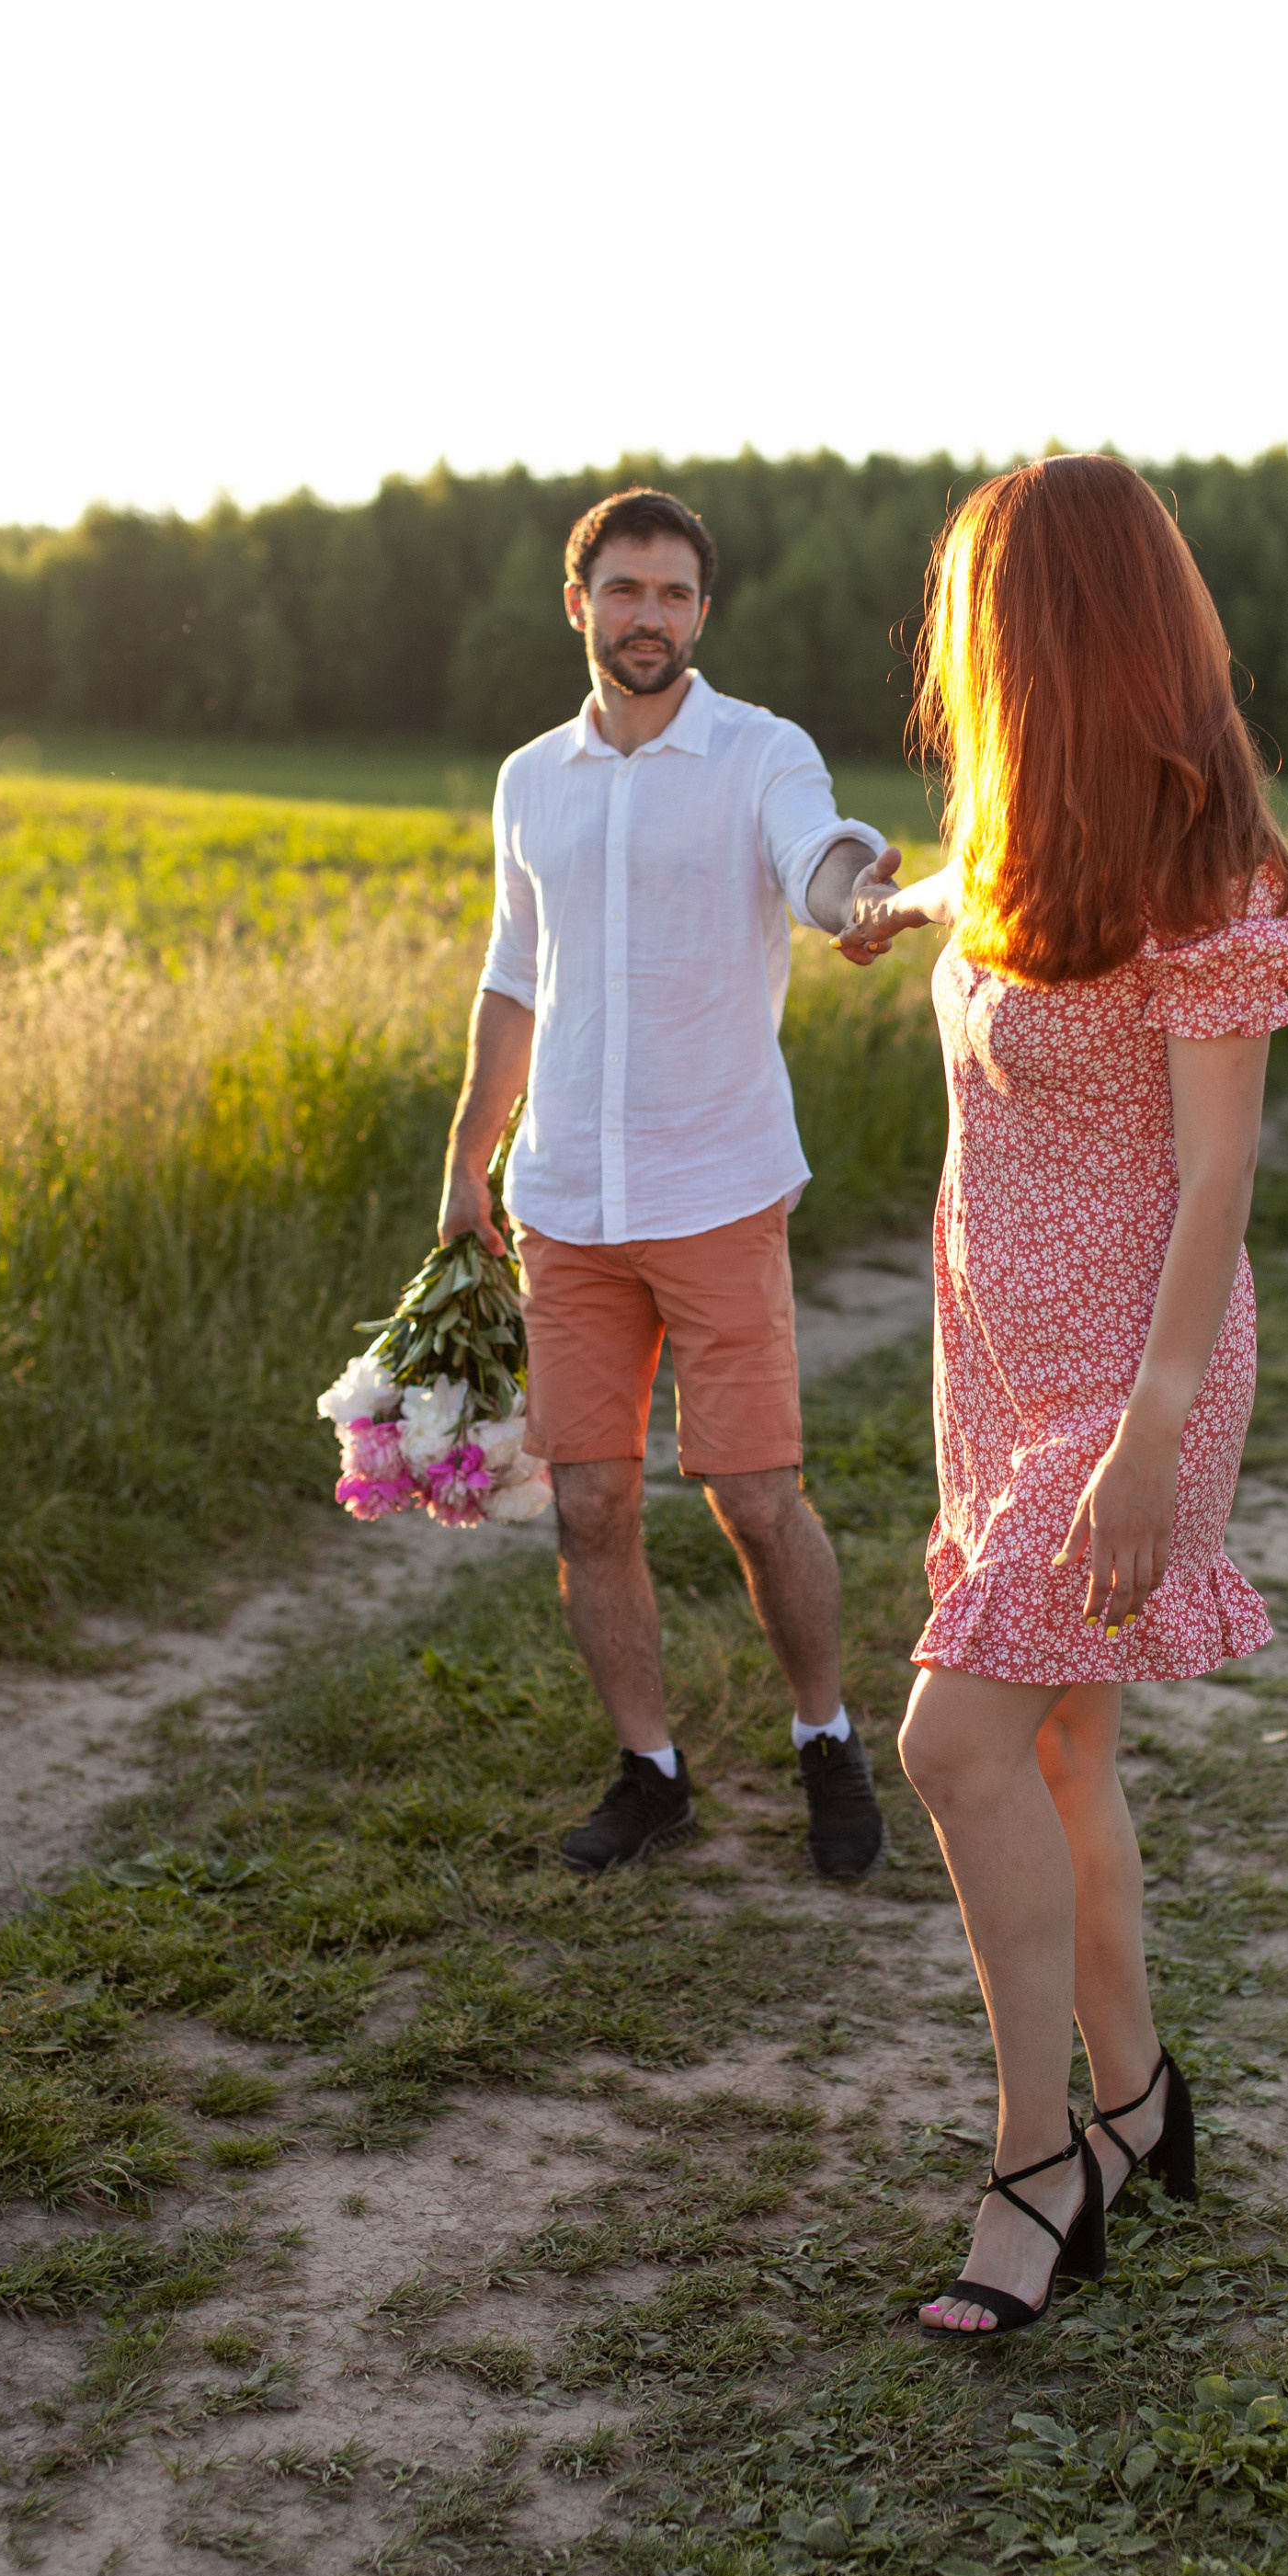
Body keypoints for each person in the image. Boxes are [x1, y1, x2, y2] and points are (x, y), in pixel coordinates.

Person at [837, 455, 1288, 2337]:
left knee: (952, 1748)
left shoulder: (1209, 870)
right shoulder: (1032, 843)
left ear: (1051, 634)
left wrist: (1148, 1427)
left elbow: (1217, 1178)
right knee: (1057, 1756)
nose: (959, 654)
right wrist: (901, 905)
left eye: (982, 621)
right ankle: (1139, 2109)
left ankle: (1037, 2159)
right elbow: (1003, 900)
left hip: (1131, 1382)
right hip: (998, 1357)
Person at [439, 485, 903, 1881]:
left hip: (715, 1188)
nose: (652, 617)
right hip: (564, 1199)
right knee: (589, 1506)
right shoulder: (530, 780)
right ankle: (651, 1771)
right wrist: (469, 1156)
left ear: (704, 613)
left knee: (757, 1498)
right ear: (578, 604)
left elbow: (814, 862)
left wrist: (856, 899)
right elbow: (514, 980)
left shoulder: (761, 752)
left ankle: (826, 1739)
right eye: (627, 590)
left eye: (678, 594)